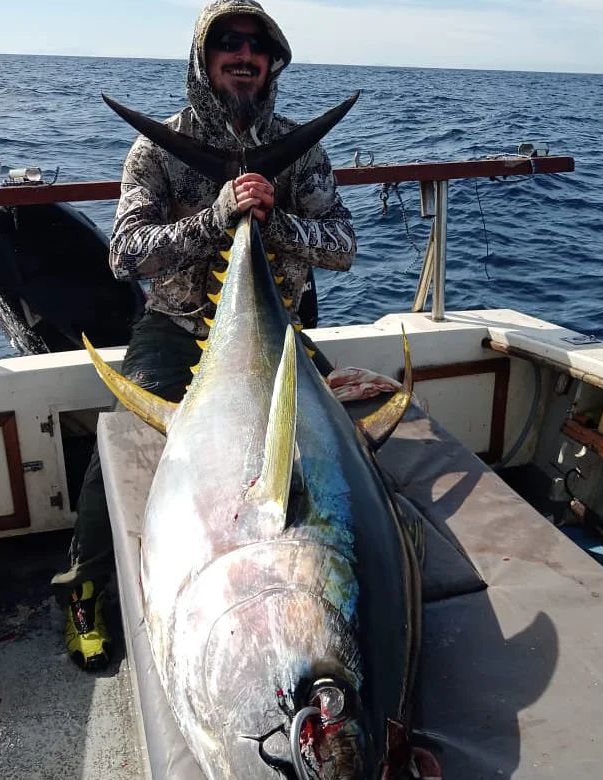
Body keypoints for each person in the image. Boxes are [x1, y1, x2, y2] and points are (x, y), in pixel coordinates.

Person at [51, 0, 357, 671]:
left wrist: (276, 222)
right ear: (203, 58)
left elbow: (342, 245)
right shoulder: (156, 149)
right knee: (118, 444)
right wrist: (217, 216)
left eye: (256, 45)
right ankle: (87, 589)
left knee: (341, 447)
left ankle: (321, 581)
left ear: (272, 62)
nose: (244, 55)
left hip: (275, 335)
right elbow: (125, 255)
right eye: (228, 42)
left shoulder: (303, 152)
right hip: (176, 328)